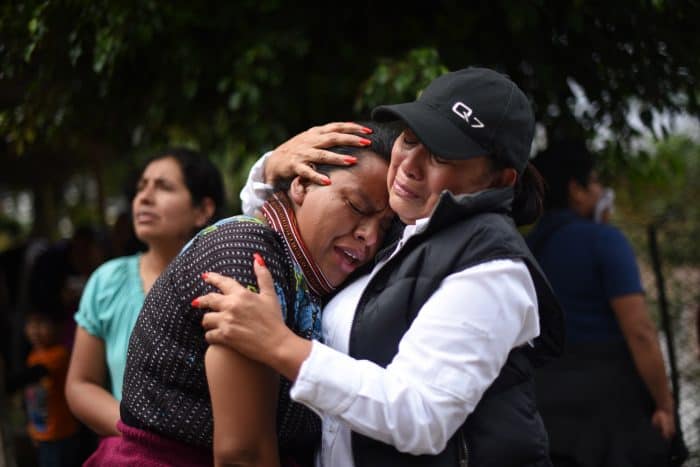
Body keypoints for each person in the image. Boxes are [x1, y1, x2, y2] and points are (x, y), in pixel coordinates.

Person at [197, 67, 564, 466]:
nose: (410, 164)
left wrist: (281, 346)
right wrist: (273, 170)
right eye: (409, 139)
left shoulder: (493, 268)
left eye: (441, 155)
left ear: (498, 180)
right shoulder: (400, 231)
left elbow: (421, 415)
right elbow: (299, 242)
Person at [94, 122, 396, 467]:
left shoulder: (303, 270)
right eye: (357, 206)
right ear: (301, 185)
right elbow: (243, 455)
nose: (369, 236)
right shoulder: (247, 256)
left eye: (385, 227)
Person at [526, 140, 676, 467]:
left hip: (543, 410)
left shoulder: (526, 246)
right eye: (594, 182)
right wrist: (664, 405)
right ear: (576, 190)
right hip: (607, 416)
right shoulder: (603, 240)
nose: (600, 190)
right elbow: (640, 332)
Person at [65, 149, 225, 448]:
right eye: (141, 187)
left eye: (163, 187)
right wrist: (136, 430)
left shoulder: (225, 283)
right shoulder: (107, 281)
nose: (145, 197)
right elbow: (80, 384)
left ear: (203, 210)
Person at [8, 309, 81, 467]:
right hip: (42, 434)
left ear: (57, 327)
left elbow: (37, 373)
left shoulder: (59, 355)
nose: (35, 330)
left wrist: (8, 385)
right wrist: (33, 429)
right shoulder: (33, 356)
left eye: (41, 324)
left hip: (60, 434)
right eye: (31, 324)